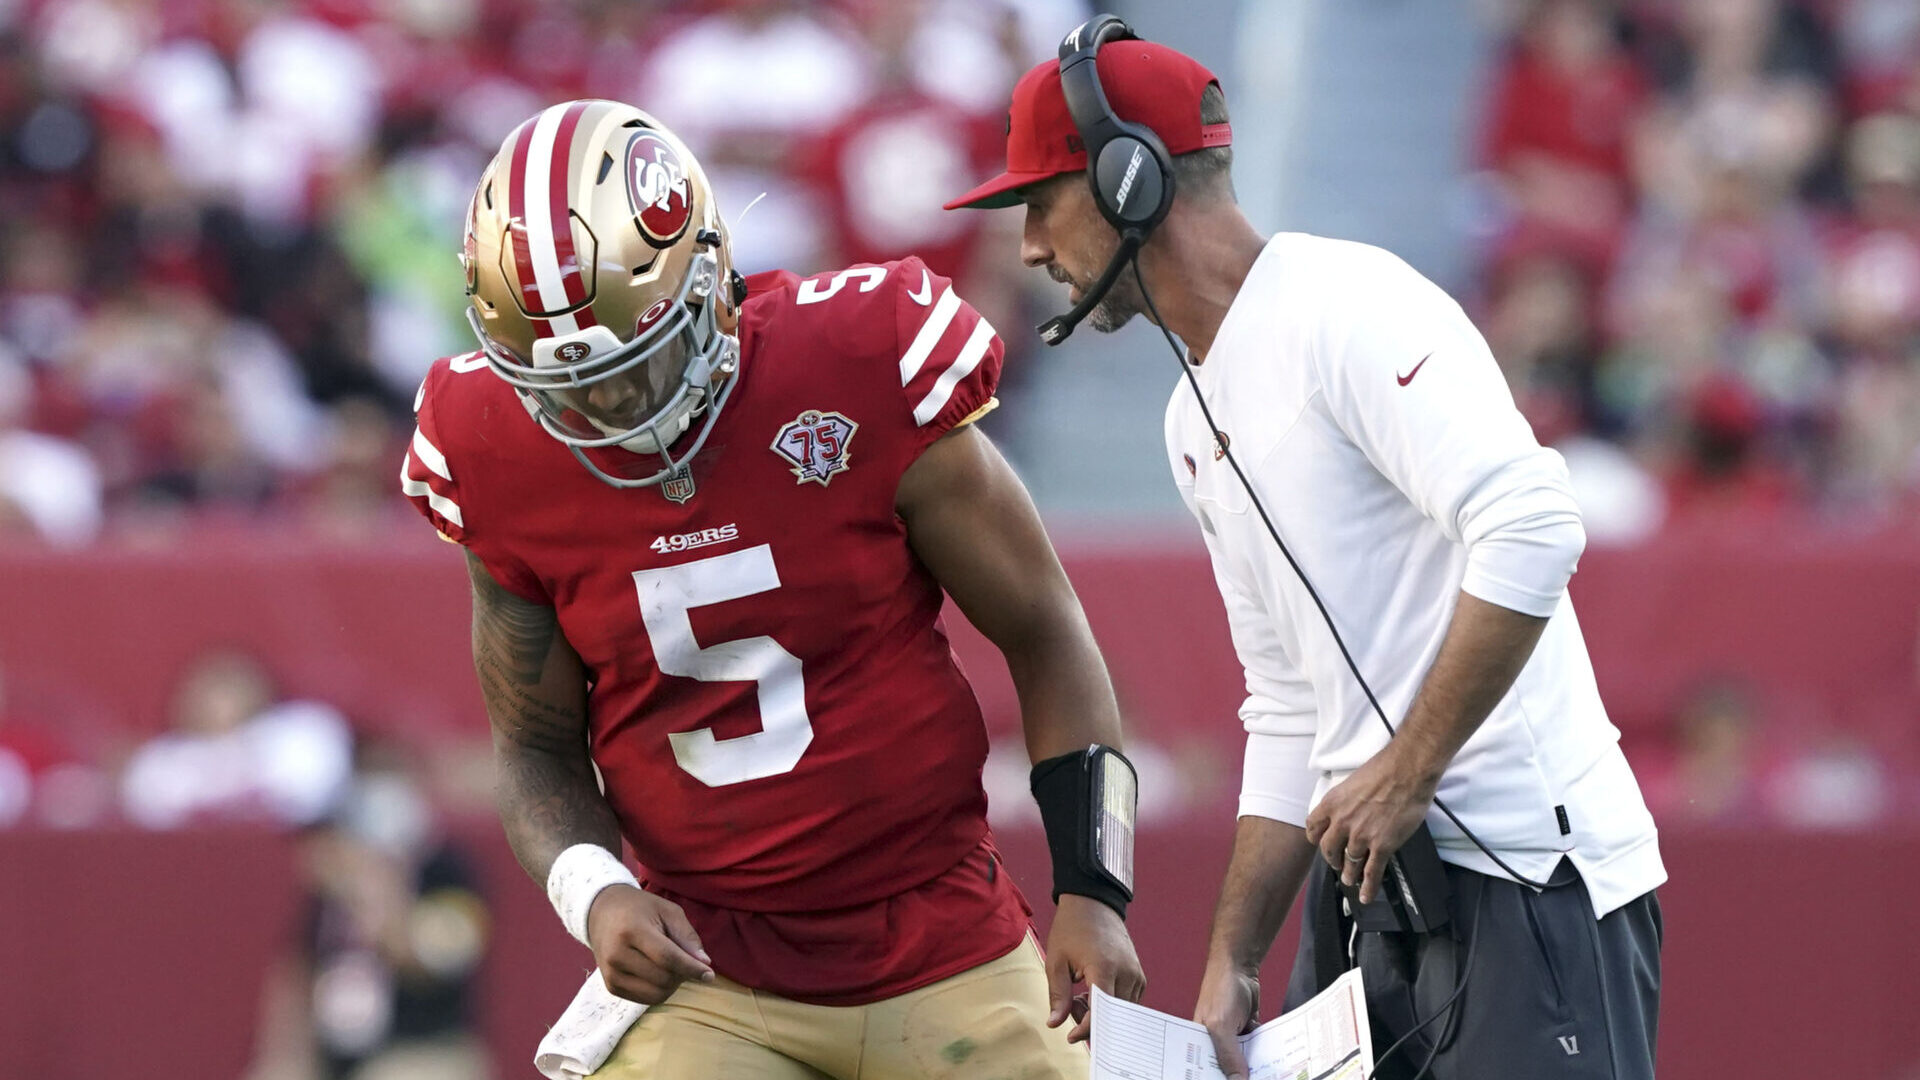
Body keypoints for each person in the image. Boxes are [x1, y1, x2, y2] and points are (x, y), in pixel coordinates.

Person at [947, 19, 1665, 1080]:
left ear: (1129, 180)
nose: (1031, 249)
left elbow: (1533, 523)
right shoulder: (1190, 421)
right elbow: (1288, 701)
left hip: (1534, 875)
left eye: (1040, 203)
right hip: (1377, 900)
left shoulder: (1352, 306)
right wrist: (1236, 954)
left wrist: (1410, 767)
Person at [400, 99, 1144, 1079]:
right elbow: (534, 743)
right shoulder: (490, 447)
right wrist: (596, 891)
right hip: (711, 977)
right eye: (566, 391)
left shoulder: (856, 363)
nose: (606, 411)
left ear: (709, 280)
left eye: (633, 368)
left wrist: (1095, 888)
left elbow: (1046, 630)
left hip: (943, 941)